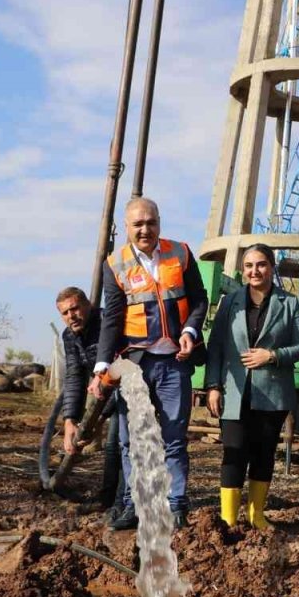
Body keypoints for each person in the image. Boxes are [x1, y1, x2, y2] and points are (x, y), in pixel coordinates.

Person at [90, 197, 208, 530]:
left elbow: (199, 299)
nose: (145, 229)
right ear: (126, 227)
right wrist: (101, 367)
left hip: (174, 362)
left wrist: (189, 330)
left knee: (173, 437)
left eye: (150, 222)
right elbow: (111, 319)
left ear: (159, 222)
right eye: (138, 224)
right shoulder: (115, 263)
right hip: (134, 365)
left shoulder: (181, 253)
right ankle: (133, 505)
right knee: (133, 441)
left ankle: (175, 504)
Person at [204, 244, 299, 530]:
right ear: (243, 269)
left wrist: (273, 355)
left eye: (261, 265)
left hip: (272, 394)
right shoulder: (230, 302)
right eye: (249, 265)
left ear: (272, 267)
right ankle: (228, 519)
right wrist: (213, 386)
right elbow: (215, 347)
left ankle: (256, 516)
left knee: (263, 454)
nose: (254, 271)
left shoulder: (288, 303)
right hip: (234, 392)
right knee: (233, 452)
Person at [56, 286, 122, 512]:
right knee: (116, 445)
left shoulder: (107, 323)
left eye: (74, 308)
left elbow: (120, 366)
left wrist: (99, 418)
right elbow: (74, 375)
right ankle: (112, 501)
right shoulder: (69, 336)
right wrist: (70, 421)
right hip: (103, 392)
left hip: (130, 385)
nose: (71, 316)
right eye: (64, 313)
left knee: (117, 444)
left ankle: (116, 503)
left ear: (87, 306)